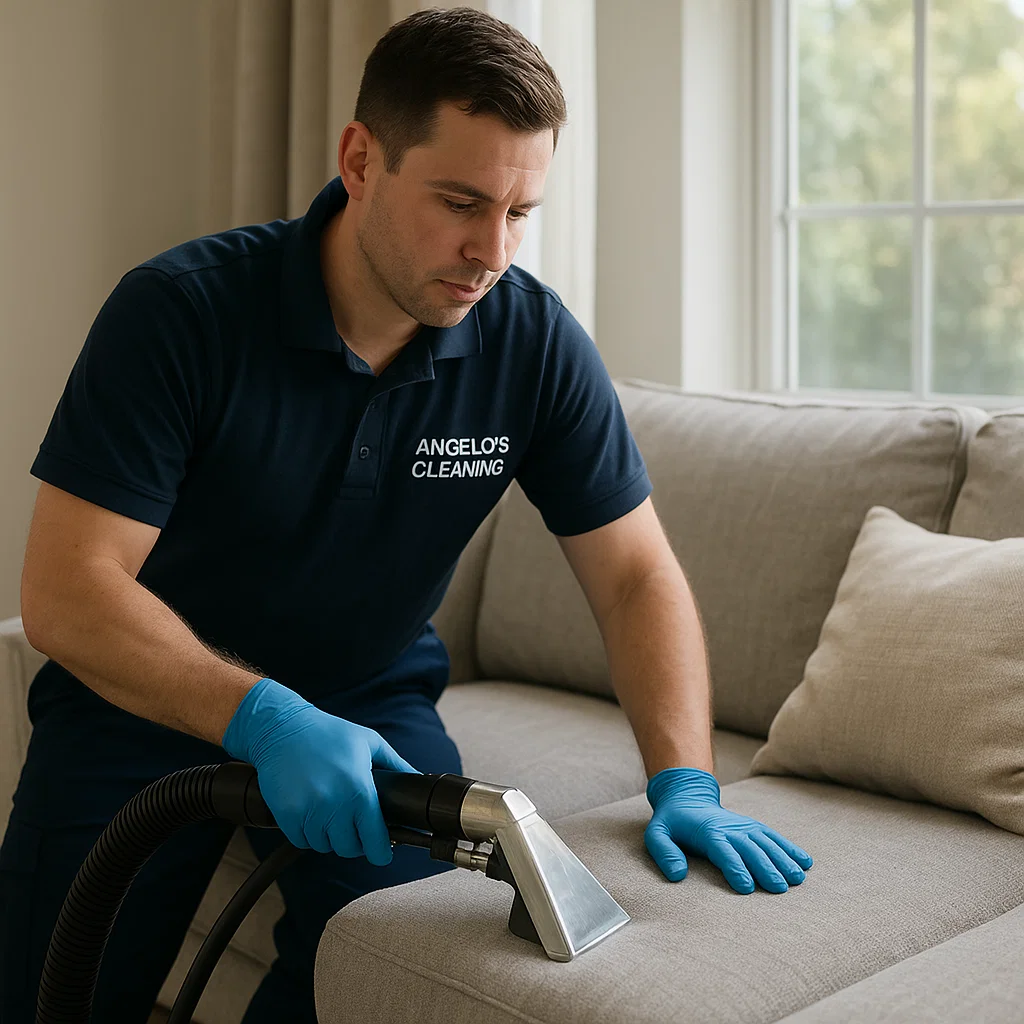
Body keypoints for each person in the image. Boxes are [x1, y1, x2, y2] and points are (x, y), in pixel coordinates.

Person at [0, 6, 813, 1022]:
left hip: (366, 703)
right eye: (460, 202)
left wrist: (684, 777)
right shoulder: (183, 312)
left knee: (379, 975)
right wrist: (259, 714)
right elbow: (69, 593)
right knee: (55, 989)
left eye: (521, 213)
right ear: (360, 158)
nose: (491, 251)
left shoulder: (532, 342)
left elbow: (634, 574)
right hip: (143, 699)